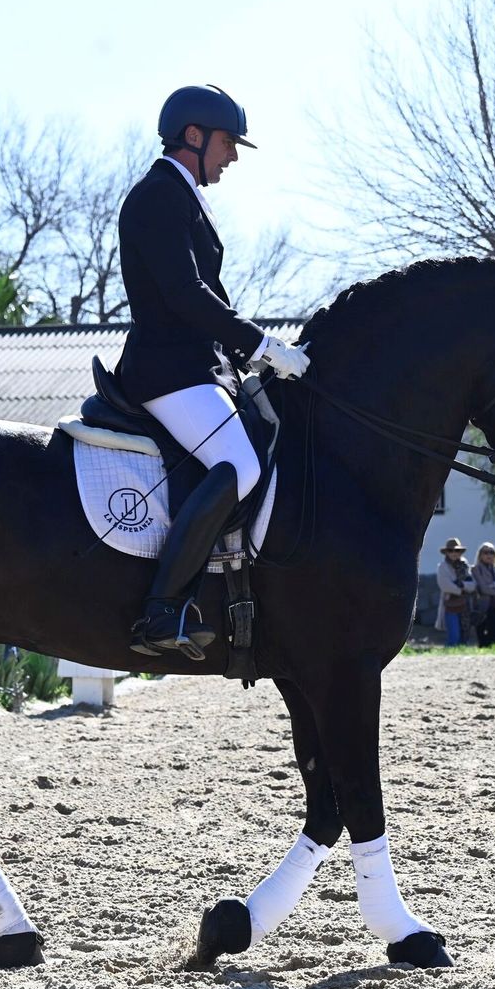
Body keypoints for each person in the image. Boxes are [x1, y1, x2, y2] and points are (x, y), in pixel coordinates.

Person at [114, 84, 311, 658]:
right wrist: (262, 343)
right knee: (237, 464)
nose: (233, 156)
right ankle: (163, 611)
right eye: (228, 143)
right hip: (167, 371)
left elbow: (209, 298)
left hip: (199, 367)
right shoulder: (156, 197)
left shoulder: (184, 198)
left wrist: (251, 357)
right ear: (193, 137)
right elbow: (185, 295)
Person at [435, 538, 477, 647]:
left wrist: (461, 585)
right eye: (450, 550)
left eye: (457, 551)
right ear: (446, 552)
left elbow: (473, 584)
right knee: (454, 635)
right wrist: (461, 589)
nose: (454, 553)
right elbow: (445, 586)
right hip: (450, 604)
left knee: (464, 634)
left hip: (465, 605)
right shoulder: (442, 567)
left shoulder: (465, 565)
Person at [470, 542, 495, 647]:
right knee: (481, 631)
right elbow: (483, 588)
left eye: (491, 552)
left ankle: (493, 648)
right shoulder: (475, 569)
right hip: (482, 605)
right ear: (480, 555)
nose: (489, 555)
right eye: (485, 552)